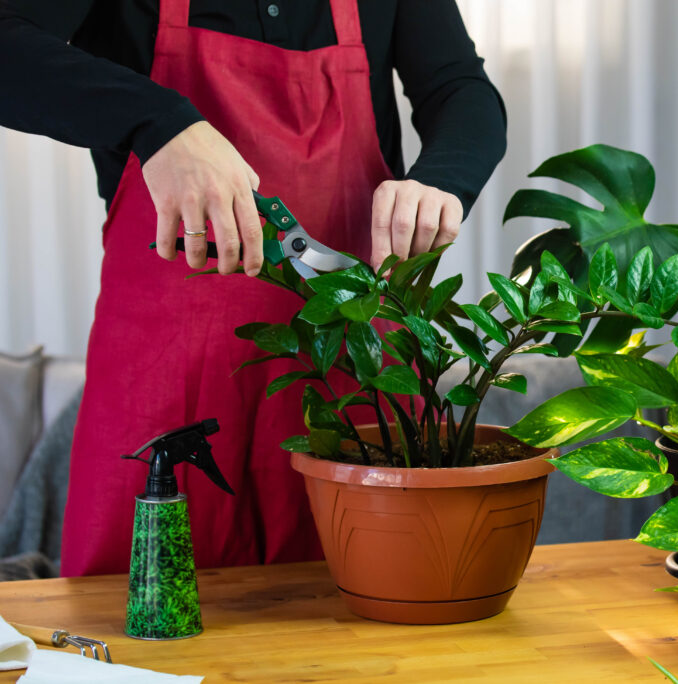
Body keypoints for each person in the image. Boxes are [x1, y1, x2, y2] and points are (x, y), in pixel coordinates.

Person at [0, 0, 507, 576]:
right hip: (168, 373)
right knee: (148, 625)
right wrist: (158, 122)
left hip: (356, 368)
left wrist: (442, 179)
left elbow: (460, 87)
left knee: (385, 607)